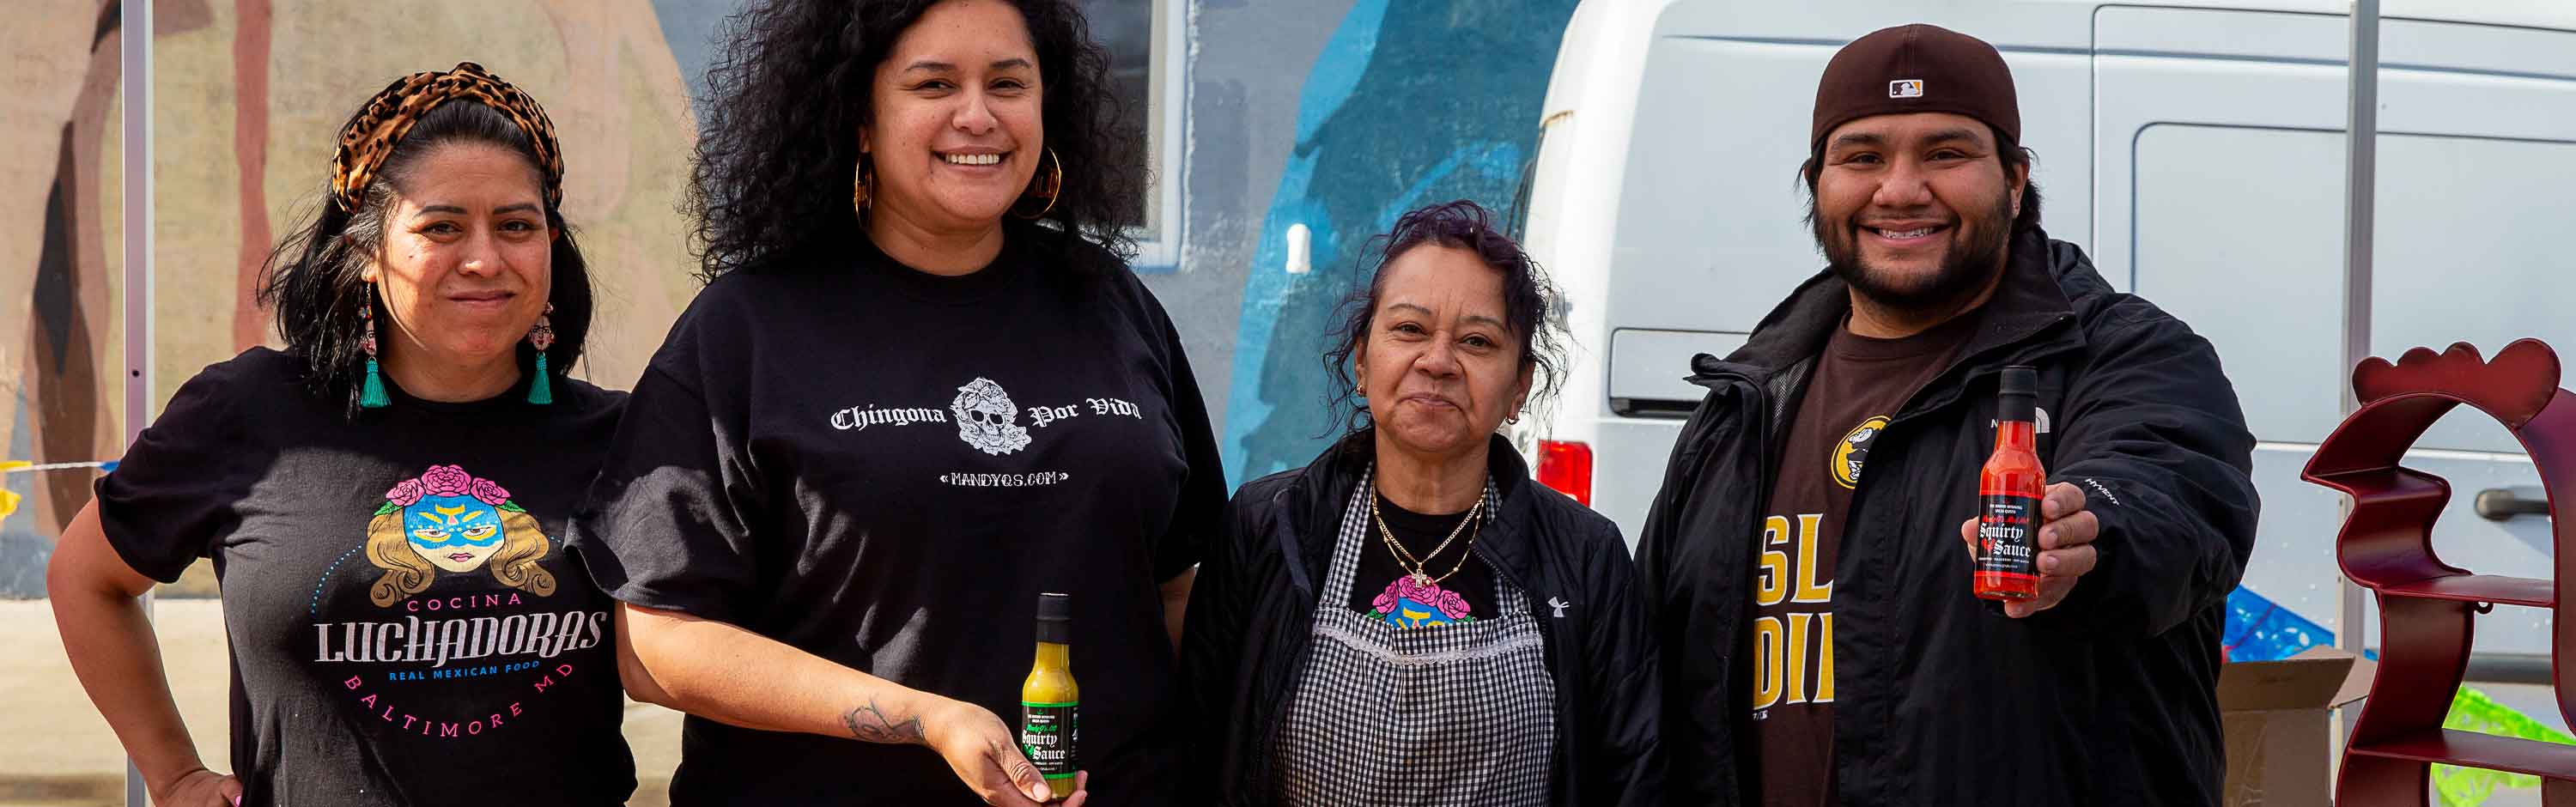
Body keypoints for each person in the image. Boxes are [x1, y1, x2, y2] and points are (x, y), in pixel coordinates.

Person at [564, 1, 1224, 804]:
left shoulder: (1113, 306)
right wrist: (922, 718)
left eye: (1008, 83)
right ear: (859, 118)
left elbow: (1178, 587)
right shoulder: (749, 328)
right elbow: (660, 646)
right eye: (933, 83)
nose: (977, 115)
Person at [1637, 24, 2261, 806]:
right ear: (1817, 183)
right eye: (1862, 156)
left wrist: (2087, 532)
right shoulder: (1750, 398)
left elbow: (2173, 499)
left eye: (1946, 153)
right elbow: (1654, 668)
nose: (1899, 190)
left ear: (2013, 179)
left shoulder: (2127, 356)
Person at [47, 63, 634, 806]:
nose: (485, 259)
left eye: (516, 226)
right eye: (441, 227)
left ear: (551, 243)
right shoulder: (249, 415)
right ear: (364, 253)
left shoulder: (620, 438)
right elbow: (85, 578)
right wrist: (174, 773)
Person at [1179, 200, 1662, 806]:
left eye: (1477, 341)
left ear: (1519, 386)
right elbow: (1197, 748)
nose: (1437, 362)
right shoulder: (1268, 527)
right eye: (1409, 329)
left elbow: (1635, 778)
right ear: (1362, 359)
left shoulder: (1586, 556)